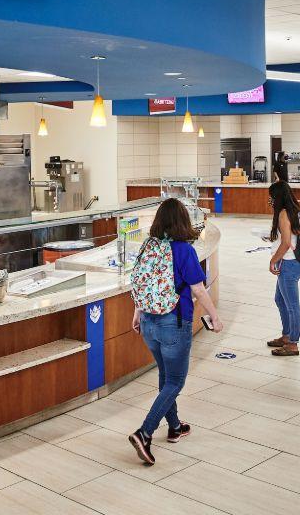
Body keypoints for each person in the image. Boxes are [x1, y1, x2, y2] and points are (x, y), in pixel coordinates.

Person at [128, 198, 223, 465]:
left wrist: (137, 313)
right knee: (175, 381)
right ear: (183, 221)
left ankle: (175, 427)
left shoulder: (148, 246)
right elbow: (198, 289)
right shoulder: (183, 250)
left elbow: (141, 282)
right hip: (174, 322)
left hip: (148, 322)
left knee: (166, 376)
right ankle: (144, 432)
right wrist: (214, 316)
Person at [266, 180, 300, 356]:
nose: (270, 200)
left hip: (289, 264)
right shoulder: (293, 210)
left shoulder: (284, 213)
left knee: (292, 305)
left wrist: (273, 260)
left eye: (271, 197)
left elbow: (287, 243)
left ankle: (293, 343)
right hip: (291, 263)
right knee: (280, 300)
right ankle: (286, 335)